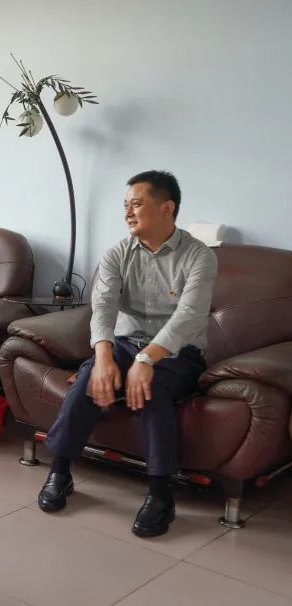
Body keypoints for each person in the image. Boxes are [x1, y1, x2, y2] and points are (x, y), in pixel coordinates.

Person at [37, 170, 217, 538]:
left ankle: (161, 494)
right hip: (124, 344)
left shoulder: (199, 256)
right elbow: (102, 307)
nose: (128, 213)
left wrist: (146, 359)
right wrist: (103, 358)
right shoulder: (118, 253)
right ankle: (60, 471)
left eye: (136, 204)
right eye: (125, 205)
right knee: (87, 380)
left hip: (178, 352)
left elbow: (189, 317)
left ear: (167, 208)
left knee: (150, 389)